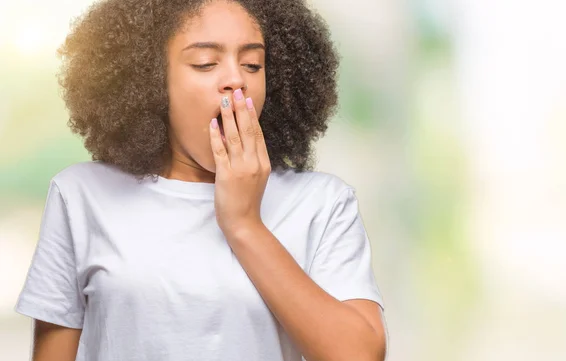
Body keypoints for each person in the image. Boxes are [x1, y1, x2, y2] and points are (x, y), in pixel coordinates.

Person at [15, 0, 388, 360]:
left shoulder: (321, 203)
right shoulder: (81, 195)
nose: (235, 80)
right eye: (205, 63)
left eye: (253, 64)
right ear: (151, 80)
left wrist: (244, 224)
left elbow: (358, 355)